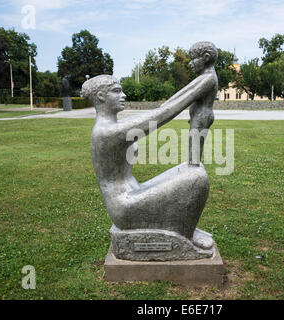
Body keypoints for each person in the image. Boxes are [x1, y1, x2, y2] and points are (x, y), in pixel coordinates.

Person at [82, 70, 216, 248]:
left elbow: (161, 109)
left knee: (190, 168)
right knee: (197, 178)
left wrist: (199, 84)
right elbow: (160, 115)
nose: (123, 95)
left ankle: (183, 228)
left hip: (133, 192)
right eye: (116, 91)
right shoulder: (105, 133)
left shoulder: (113, 127)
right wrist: (198, 89)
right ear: (100, 96)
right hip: (124, 207)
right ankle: (185, 235)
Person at [188, 41, 218, 165]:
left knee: (194, 154)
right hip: (199, 116)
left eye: (193, 59)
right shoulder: (204, 77)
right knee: (193, 150)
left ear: (205, 58)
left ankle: (194, 175)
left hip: (202, 117)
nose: (190, 63)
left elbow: (187, 96)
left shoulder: (209, 78)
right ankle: (193, 172)